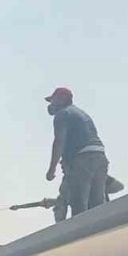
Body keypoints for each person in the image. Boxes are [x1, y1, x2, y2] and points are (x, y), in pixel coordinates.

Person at [44, 87, 110, 223]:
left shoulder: (62, 114)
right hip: (100, 158)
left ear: (62, 99)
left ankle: (81, 239)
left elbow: (59, 142)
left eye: (53, 100)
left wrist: (51, 169)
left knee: (79, 205)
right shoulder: (81, 113)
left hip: (83, 160)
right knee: (96, 206)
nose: (51, 105)